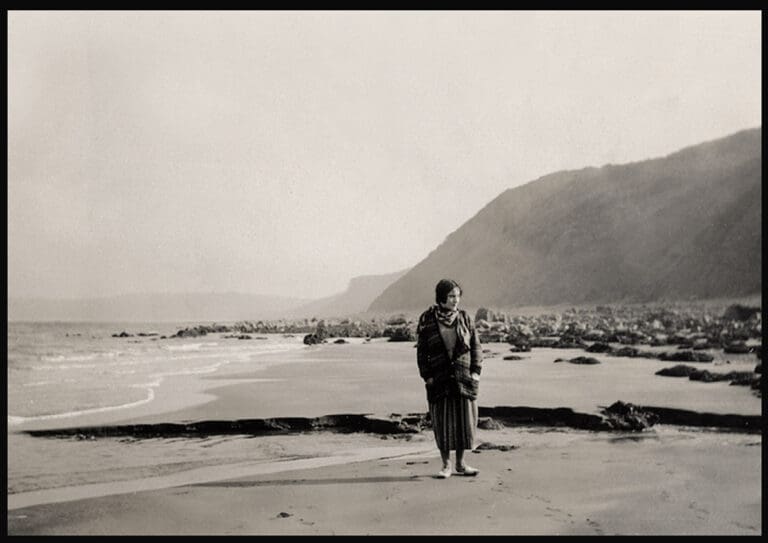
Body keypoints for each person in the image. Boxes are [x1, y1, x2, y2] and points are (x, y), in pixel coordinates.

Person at [416, 278, 483, 479]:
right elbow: (422, 352)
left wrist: (476, 372)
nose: (455, 300)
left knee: (464, 421)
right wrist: (427, 376)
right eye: (451, 296)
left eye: (457, 296)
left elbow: (477, 346)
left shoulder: (465, 318)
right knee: (443, 422)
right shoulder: (428, 320)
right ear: (441, 298)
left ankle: (461, 464)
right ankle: (446, 466)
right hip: (439, 378)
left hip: (463, 377)